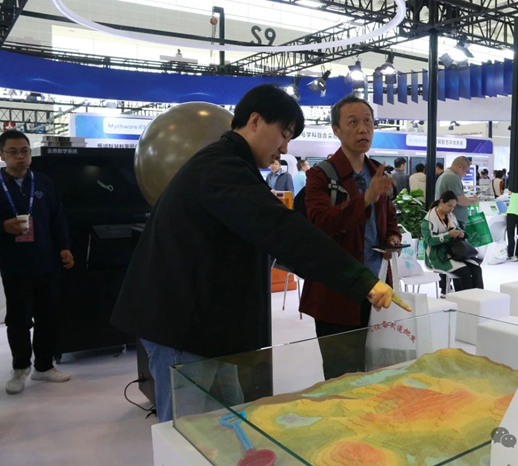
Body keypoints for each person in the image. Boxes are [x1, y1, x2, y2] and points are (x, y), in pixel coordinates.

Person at [110, 85, 395, 422]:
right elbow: (283, 229)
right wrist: (360, 279)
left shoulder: (232, 166)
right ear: (256, 121)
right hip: (183, 328)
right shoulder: (222, 169)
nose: (284, 148)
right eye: (284, 134)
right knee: (190, 434)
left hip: (208, 328)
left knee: (228, 423)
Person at [301, 95, 402, 380]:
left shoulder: (376, 172)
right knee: (341, 375)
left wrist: (392, 238)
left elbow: (389, 218)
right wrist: (366, 197)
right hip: (336, 290)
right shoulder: (321, 176)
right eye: (353, 122)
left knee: (377, 369)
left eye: (368, 121)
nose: (363, 129)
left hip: (376, 287)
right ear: (336, 129)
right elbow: (320, 223)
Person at [0, 130, 74, 395]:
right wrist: (3, 226)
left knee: (48, 315)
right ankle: (20, 368)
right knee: (18, 319)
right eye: (13, 152)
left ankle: (44, 366)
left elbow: (57, 217)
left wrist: (64, 247)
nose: (20, 157)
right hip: (14, 264)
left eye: (24, 151)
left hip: (46, 261)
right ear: (2, 155)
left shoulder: (42, 182)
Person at [421, 190, 483, 295]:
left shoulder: (451, 216)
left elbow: (458, 228)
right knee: (464, 272)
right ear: (441, 202)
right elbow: (430, 240)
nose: (451, 209)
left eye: (453, 207)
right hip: (437, 256)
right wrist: (448, 235)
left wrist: (461, 234)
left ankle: (479, 299)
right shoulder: (428, 220)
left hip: (454, 252)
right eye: (449, 206)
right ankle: (466, 301)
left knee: (476, 269)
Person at [434, 156, 479, 228]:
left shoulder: (443, 176)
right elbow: (459, 199)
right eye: (466, 171)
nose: (465, 174)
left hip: (447, 219)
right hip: (454, 221)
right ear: (459, 167)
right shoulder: (453, 177)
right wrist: (472, 201)